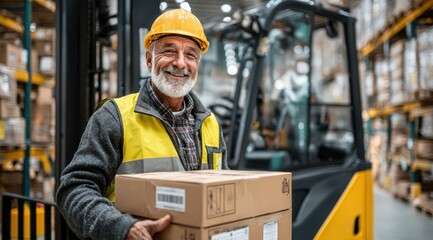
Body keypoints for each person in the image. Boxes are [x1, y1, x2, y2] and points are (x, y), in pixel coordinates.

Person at [56, 8, 228, 240]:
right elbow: (73, 190)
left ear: (198, 63)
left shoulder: (210, 123)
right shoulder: (115, 117)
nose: (180, 63)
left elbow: (225, 192)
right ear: (149, 59)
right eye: (169, 50)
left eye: (190, 55)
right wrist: (122, 228)